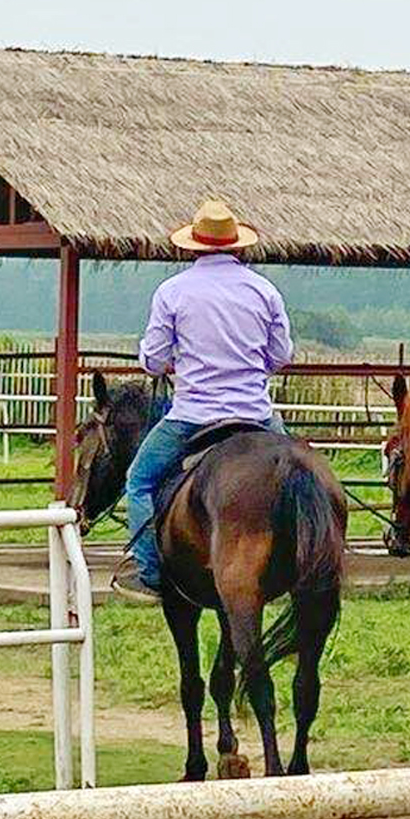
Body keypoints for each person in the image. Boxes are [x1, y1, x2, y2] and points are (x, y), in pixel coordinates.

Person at [112, 200, 294, 602]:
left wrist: (160, 359)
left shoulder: (172, 291)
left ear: (194, 245)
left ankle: (150, 573)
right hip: (256, 415)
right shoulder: (264, 290)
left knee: (139, 480)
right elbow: (281, 355)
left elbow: (154, 360)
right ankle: (301, 562)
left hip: (193, 416)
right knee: (300, 474)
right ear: (237, 244)